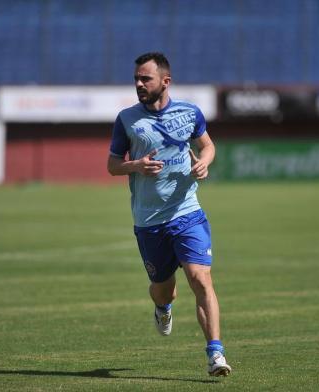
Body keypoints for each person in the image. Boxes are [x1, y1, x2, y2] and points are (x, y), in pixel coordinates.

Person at [107, 52, 231, 377]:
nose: (138, 84)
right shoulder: (126, 119)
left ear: (165, 81)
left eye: (145, 78)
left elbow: (208, 145)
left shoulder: (190, 112)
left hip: (188, 212)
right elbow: (111, 165)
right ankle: (163, 307)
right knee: (165, 289)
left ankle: (215, 354)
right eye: (136, 78)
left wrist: (204, 161)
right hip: (149, 223)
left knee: (200, 279)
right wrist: (136, 165)